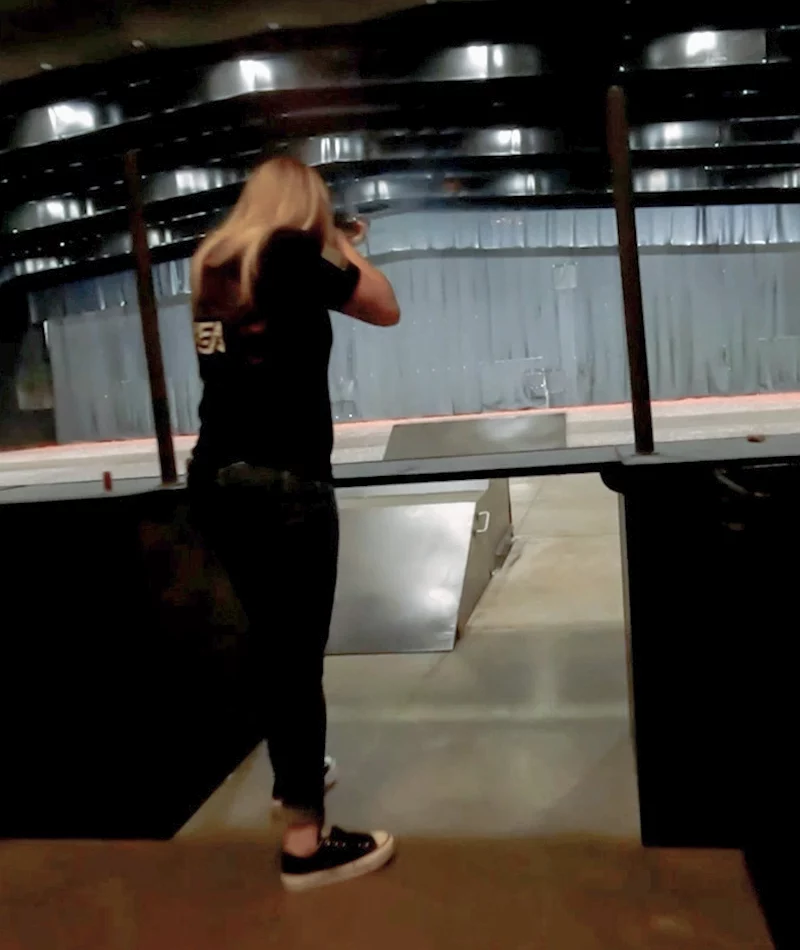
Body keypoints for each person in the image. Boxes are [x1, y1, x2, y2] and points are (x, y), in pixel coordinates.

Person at [186, 156, 400, 891]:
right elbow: (383, 304)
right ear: (306, 206)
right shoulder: (294, 256)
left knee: (272, 645)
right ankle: (305, 844)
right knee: (296, 657)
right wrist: (343, 243)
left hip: (216, 478)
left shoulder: (213, 261)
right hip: (287, 483)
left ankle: (292, 780)